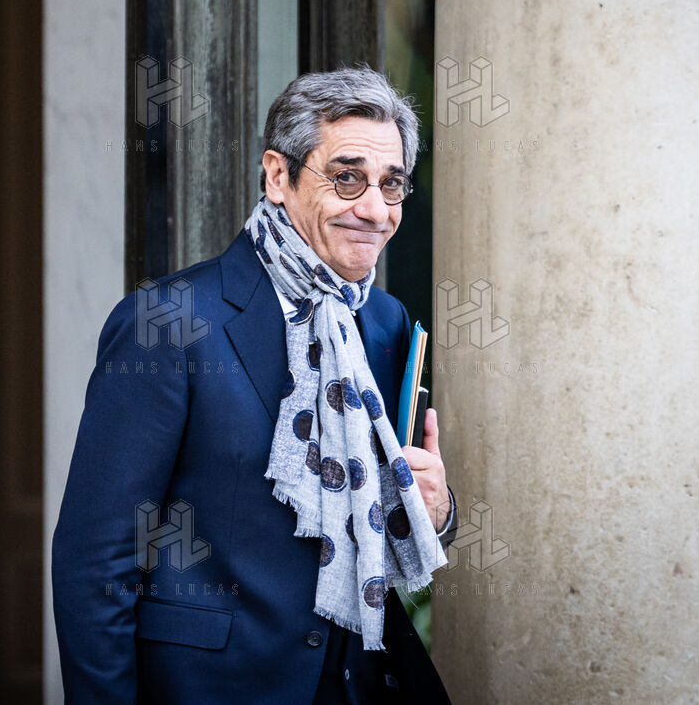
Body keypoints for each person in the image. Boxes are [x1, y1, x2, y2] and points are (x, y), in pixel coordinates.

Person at [53, 68, 459, 703]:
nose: (376, 210)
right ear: (278, 176)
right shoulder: (168, 323)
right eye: (346, 178)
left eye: (392, 183)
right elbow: (95, 562)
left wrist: (435, 510)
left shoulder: (386, 322)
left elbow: (379, 511)